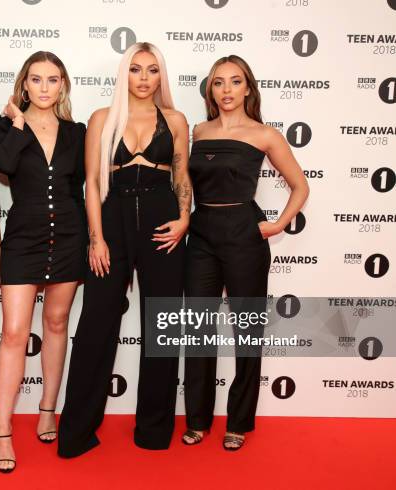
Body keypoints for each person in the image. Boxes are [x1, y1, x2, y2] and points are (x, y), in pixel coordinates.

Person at [57, 42, 191, 458]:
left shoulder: (175, 119)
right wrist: (96, 238)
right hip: (111, 221)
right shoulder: (102, 118)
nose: (144, 78)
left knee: (162, 326)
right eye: (136, 69)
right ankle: (77, 430)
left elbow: (182, 175)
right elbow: (93, 183)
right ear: (124, 74)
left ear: (160, 76)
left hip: (161, 219)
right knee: (97, 324)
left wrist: (185, 217)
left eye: (152, 70)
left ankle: (153, 430)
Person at [182, 54, 309, 451]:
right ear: (210, 89)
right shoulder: (198, 131)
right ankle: (197, 420)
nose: (226, 91)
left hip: (244, 234)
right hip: (201, 234)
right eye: (218, 83)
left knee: (246, 332)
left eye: (235, 82)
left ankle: (238, 421)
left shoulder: (265, 134)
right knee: (199, 331)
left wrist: (278, 223)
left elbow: (300, 186)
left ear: (248, 88)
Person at [0, 51, 87, 473]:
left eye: (53, 80)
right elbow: (3, 166)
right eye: (37, 80)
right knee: (12, 333)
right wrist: (18, 125)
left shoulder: (77, 133)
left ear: (63, 85)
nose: (45, 88)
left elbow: (86, 186)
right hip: (22, 240)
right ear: (24, 84)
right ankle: (3, 430)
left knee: (58, 323)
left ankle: (48, 409)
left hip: (68, 237)